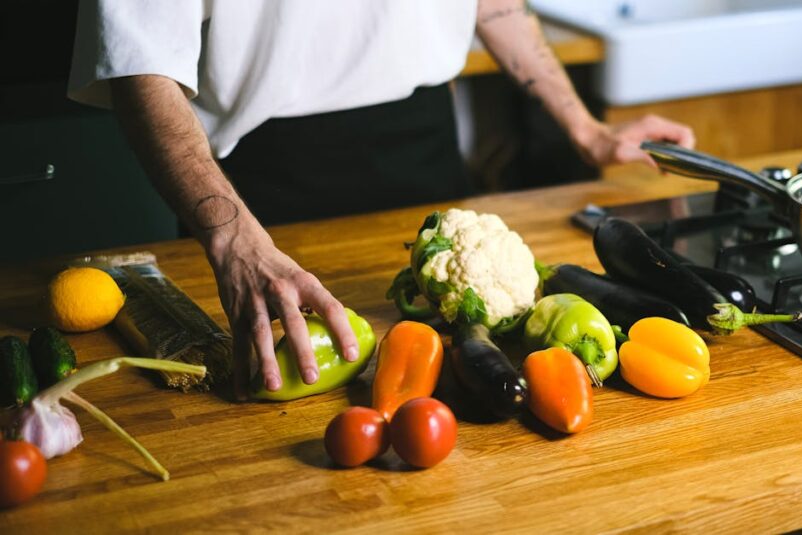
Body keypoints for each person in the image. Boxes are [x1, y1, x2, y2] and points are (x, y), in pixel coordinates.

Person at [68, 0, 695, 398]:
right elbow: (137, 64)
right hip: (252, 201)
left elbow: (494, 3)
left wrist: (588, 132)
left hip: (427, 166)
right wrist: (232, 237)